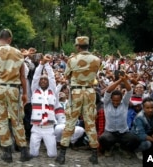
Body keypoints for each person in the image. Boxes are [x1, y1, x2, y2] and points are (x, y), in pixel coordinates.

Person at [0, 28, 31, 163]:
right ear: (10, 39)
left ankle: (7, 153)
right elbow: (23, 76)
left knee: (2, 120)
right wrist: (25, 93)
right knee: (17, 119)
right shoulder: (18, 53)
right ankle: (23, 151)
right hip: (14, 89)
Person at [55, 36, 101, 165]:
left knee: (70, 122)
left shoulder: (72, 60)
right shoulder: (97, 60)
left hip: (76, 92)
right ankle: (94, 155)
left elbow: (67, 75)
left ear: (78, 46)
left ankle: (62, 155)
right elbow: (96, 73)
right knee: (90, 123)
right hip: (90, 92)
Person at [99, 73, 140, 158]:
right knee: (102, 138)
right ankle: (109, 148)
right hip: (110, 132)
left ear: (121, 99)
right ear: (111, 99)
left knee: (135, 140)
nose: (116, 102)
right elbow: (108, 91)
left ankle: (124, 148)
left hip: (123, 132)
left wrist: (125, 80)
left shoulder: (124, 103)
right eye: (114, 100)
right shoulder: (107, 104)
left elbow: (129, 91)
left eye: (118, 101)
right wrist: (119, 80)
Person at [29, 54, 57, 157]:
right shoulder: (34, 90)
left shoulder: (52, 91)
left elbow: (52, 78)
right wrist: (41, 64)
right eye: (42, 79)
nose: (43, 80)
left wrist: (48, 65)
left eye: (45, 79)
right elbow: (35, 77)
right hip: (36, 127)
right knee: (33, 154)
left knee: (52, 155)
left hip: (49, 128)